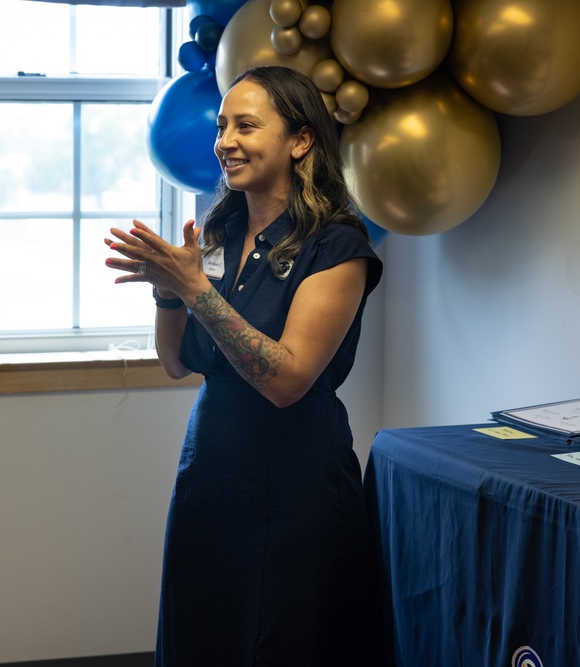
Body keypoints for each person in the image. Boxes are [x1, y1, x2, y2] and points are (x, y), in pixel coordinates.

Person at [104, 65, 383, 665]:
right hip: (211, 472)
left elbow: (286, 380)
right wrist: (168, 288)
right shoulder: (218, 231)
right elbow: (175, 362)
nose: (224, 140)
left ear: (300, 141)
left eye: (246, 126)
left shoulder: (337, 245)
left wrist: (195, 291)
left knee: (288, 640)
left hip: (298, 482)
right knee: (202, 635)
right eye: (221, 125)